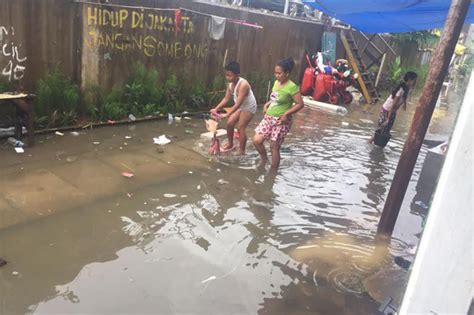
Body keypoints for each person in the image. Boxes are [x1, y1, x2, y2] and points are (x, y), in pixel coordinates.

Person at [253, 58, 304, 169]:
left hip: (281, 120)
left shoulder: (292, 87)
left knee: (274, 146)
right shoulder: (276, 83)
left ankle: (273, 172)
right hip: (268, 118)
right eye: (275, 73)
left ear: (287, 73)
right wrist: (267, 104)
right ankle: (264, 160)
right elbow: (275, 98)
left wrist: (287, 113)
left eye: (279, 73)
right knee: (257, 140)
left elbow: (300, 104)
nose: (276, 75)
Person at [210, 61, 257, 154]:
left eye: (230, 75)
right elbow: (226, 98)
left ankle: (242, 151)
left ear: (237, 75)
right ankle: (230, 143)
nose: (227, 77)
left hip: (248, 107)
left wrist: (227, 114)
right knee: (230, 123)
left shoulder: (243, 85)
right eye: (226, 75)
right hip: (240, 106)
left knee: (240, 127)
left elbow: (238, 104)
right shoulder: (230, 84)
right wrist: (216, 108)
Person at [370, 71, 418, 143]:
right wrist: (388, 119)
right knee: (381, 130)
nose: (415, 82)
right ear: (409, 80)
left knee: (385, 130)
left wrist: (404, 104)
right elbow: (393, 105)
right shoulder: (401, 90)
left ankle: (376, 144)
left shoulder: (406, 88)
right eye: (414, 80)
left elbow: (404, 97)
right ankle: (370, 142)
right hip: (387, 110)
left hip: (392, 111)